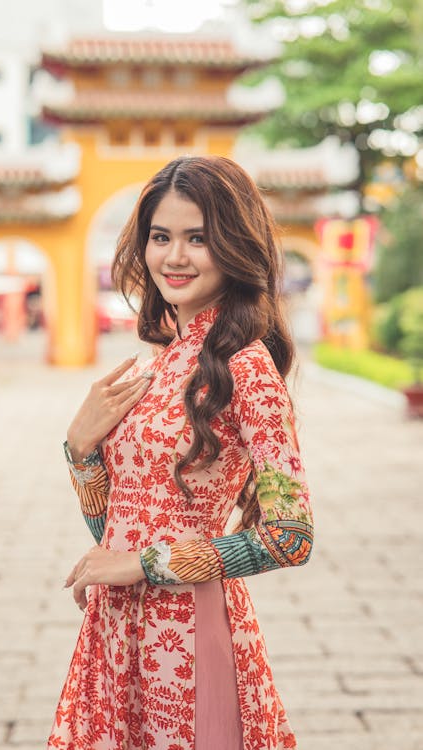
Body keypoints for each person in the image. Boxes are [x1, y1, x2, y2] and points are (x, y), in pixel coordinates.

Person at [47, 155, 314, 750]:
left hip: (188, 630)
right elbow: (119, 520)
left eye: (199, 238)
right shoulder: (165, 358)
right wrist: (81, 449)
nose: (174, 256)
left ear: (234, 245)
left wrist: (140, 566)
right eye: (161, 237)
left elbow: (291, 536)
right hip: (118, 627)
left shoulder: (246, 368)